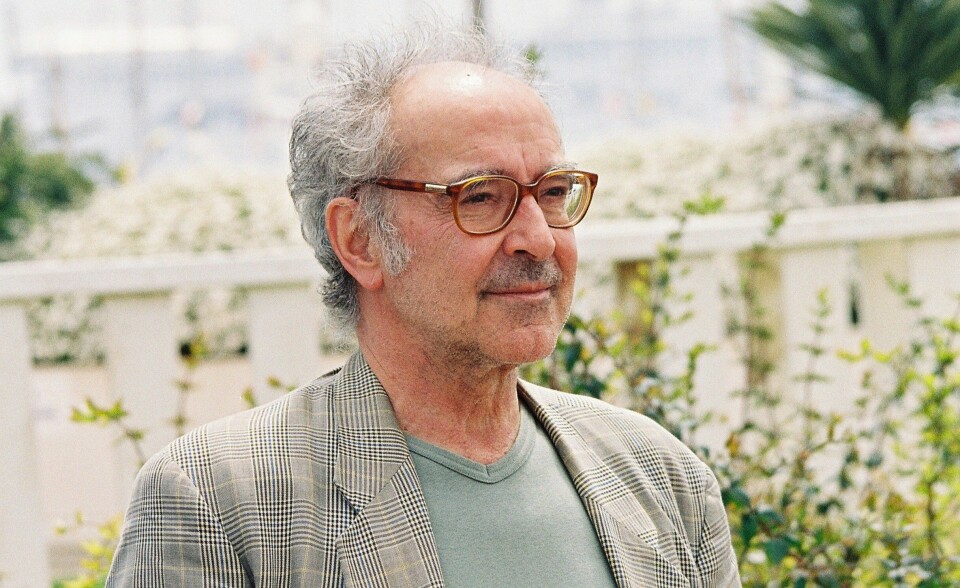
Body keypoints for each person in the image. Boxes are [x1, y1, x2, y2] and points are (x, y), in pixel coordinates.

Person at [107, 21, 740, 588]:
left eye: (552, 191)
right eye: (481, 197)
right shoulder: (219, 500)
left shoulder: (659, 477)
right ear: (360, 240)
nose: (539, 238)